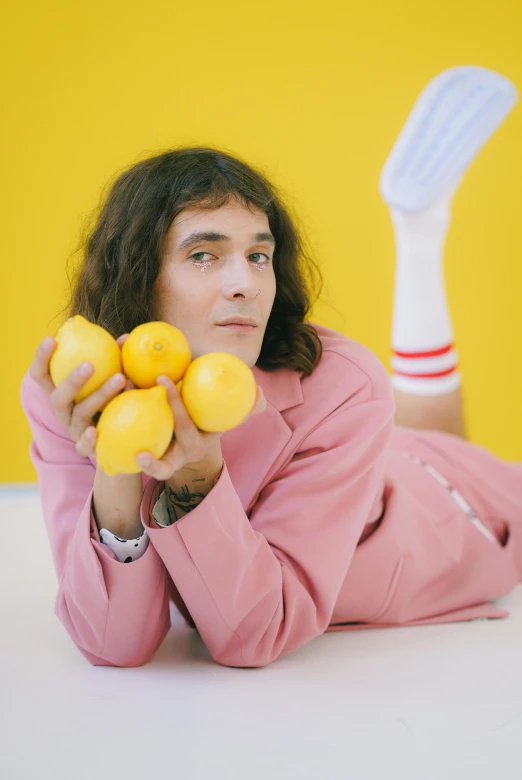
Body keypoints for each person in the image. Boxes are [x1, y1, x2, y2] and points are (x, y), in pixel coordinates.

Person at [21, 145, 522, 670]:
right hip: (376, 457)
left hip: (451, 505)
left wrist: (198, 475)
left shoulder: (343, 384)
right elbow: (111, 642)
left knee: (444, 445)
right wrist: (114, 462)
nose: (246, 284)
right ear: (138, 273)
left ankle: (419, 239)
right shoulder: (74, 390)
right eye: (203, 255)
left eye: (258, 256)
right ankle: (418, 229)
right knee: (423, 427)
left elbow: (254, 635)